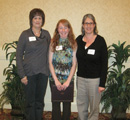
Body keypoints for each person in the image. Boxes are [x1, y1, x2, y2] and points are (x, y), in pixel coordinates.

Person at [16, 8, 51, 120]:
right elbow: (18, 55)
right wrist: (22, 75)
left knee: (39, 102)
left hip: (43, 73)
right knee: (30, 102)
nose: (37, 20)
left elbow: (51, 52)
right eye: (35, 18)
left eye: (39, 18)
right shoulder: (25, 34)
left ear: (43, 20)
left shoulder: (46, 34)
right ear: (31, 20)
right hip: (29, 74)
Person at [76, 14, 108, 120]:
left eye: (91, 23)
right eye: (86, 23)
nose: (88, 26)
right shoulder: (78, 40)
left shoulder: (100, 41)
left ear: (94, 25)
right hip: (80, 79)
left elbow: (104, 63)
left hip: (95, 81)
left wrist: (102, 83)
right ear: (83, 25)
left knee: (94, 108)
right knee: (81, 106)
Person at [49, 19, 77, 120]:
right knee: (55, 105)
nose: (63, 30)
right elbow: (50, 63)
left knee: (67, 106)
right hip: (54, 79)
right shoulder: (53, 42)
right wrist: (56, 80)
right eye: (61, 27)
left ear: (69, 29)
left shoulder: (73, 43)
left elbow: (74, 64)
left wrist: (68, 81)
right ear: (57, 29)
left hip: (68, 79)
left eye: (65, 27)